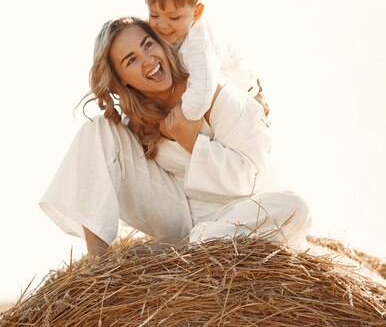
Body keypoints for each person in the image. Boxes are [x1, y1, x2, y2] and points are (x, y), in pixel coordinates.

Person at [39, 17, 310, 257]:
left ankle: (187, 247)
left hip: (242, 211)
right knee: (96, 130)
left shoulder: (214, 94)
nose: (148, 60)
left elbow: (254, 176)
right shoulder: (136, 120)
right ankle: (99, 266)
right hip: (180, 213)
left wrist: (193, 142)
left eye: (148, 45)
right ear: (123, 81)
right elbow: (101, 162)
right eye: (131, 60)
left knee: (297, 208)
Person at [145, 0, 270, 118]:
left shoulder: (199, 45)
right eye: (154, 14)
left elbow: (201, 95)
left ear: (196, 13)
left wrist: (173, 122)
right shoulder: (170, 31)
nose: (162, 25)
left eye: (174, 17)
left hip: (249, 96)